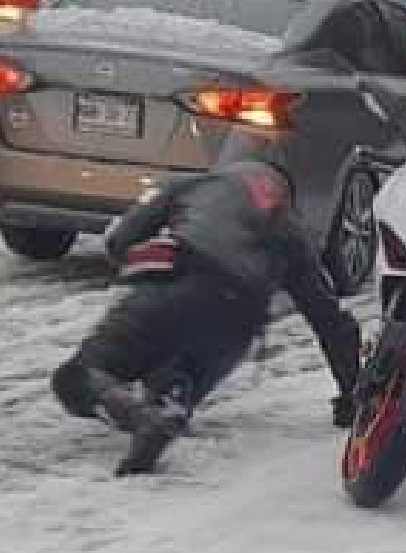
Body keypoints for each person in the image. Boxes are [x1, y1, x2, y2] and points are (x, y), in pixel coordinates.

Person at [50, 155, 363, 476]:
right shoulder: (292, 233)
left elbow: (119, 239)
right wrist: (352, 400)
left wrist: (134, 268)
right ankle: (169, 403)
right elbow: (331, 323)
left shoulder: (196, 183)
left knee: (78, 376)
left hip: (179, 280)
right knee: (181, 373)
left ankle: (137, 415)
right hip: (240, 319)